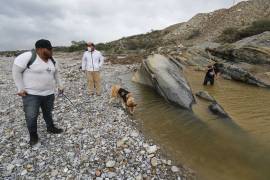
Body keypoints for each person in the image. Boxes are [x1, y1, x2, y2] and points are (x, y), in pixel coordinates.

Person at [12, 39, 64, 146]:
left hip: (49, 94)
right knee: (31, 116)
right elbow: (16, 71)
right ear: (39, 49)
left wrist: (60, 85)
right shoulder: (27, 57)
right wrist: (20, 88)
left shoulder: (52, 60)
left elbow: (56, 74)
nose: (51, 51)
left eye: (51, 49)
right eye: (49, 49)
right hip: (31, 95)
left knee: (48, 113)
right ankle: (33, 136)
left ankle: (51, 128)